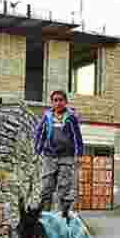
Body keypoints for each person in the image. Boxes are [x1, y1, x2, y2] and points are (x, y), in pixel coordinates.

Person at [33, 90, 84, 219]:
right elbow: (40, 133)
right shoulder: (47, 116)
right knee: (46, 187)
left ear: (65, 102)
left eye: (61, 100)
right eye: (55, 100)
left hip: (66, 156)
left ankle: (60, 217)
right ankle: (44, 216)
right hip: (50, 155)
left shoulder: (71, 117)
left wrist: (79, 155)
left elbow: (77, 137)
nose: (58, 102)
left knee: (63, 187)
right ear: (52, 103)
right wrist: (37, 150)